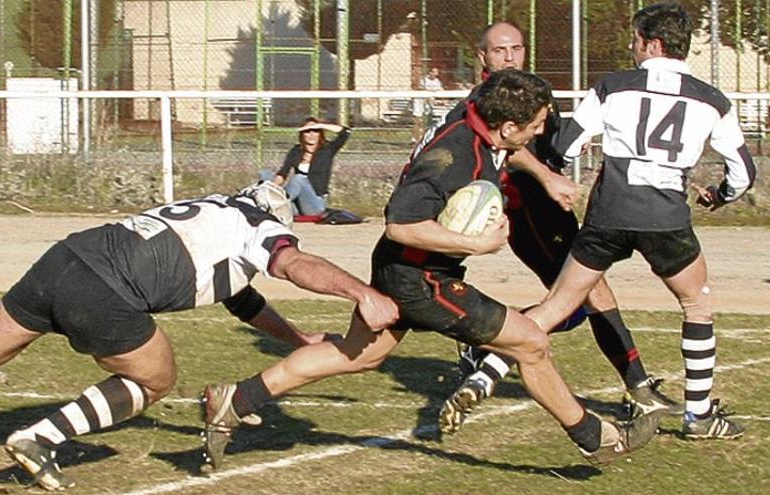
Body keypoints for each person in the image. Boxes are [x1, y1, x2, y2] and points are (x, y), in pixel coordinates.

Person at [200, 70, 662, 474]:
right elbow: (400, 223)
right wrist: (474, 243)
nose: (542, 133)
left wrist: (545, 176)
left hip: (405, 271)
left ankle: (235, 400)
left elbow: (509, 152)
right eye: (537, 126)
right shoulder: (455, 157)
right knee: (532, 342)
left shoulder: (478, 118)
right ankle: (596, 438)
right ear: (507, 126)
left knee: (359, 355)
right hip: (423, 281)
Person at [0, 181, 398, 491]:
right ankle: (38, 438)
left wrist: (296, 336)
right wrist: (360, 292)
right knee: (155, 380)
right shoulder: (260, 228)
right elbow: (293, 264)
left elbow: (242, 300)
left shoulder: (214, 211)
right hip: (107, 288)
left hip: (66, 256)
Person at [525, 2, 756, 440]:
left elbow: (567, 147)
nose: (632, 48)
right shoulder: (711, 99)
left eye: (635, 40)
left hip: (610, 211)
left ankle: (488, 370)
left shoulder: (613, 87)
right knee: (696, 304)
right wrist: (720, 196)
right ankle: (699, 416)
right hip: (666, 216)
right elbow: (744, 173)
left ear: (652, 43)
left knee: (559, 302)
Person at [440, 21, 681, 436]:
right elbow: (505, 150)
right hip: (525, 212)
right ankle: (637, 386)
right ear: (482, 57)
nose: (510, 56)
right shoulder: (481, 101)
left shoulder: (533, 90)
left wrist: (570, 147)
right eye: (500, 50)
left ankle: (487, 342)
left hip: (549, 209)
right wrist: (547, 177)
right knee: (584, 294)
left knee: (578, 299)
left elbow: (551, 140)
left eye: (516, 48)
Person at [266, 117, 350, 216]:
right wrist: (271, 187)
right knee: (265, 174)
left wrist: (320, 125)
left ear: (320, 134)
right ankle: (272, 202)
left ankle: (274, 204)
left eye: (315, 131)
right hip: (296, 203)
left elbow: (345, 132)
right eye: (307, 131)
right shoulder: (296, 151)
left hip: (315, 204)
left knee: (299, 178)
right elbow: (283, 173)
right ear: (302, 134)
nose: (311, 135)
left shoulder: (327, 150)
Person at [412, 66, 445, 142]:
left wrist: (442, 100)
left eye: (436, 72)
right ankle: (415, 137)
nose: (435, 74)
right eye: (434, 72)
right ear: (430, 73)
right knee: (418, 120)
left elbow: (441, 91)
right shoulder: (424, 80)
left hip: (429, 104)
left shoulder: (437, 81)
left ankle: (425, 137)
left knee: (427, 120)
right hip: (420, 102)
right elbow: (421, 89)